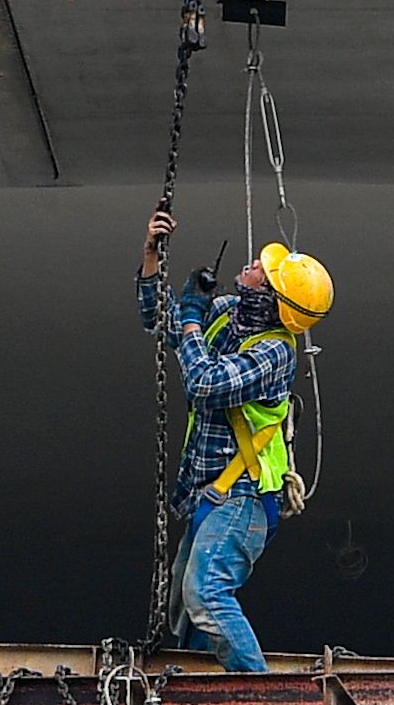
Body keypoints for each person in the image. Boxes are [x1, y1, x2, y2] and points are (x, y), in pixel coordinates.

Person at [136, 209, 334, 672]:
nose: (251, 265)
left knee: (205, 593)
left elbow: (203, 382)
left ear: (269, 298)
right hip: (214, 492)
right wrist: (152, 259)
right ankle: (201, 686)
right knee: (185, 608)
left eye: (261, 271)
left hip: (244, 497)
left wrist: (190, 322)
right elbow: (160, 325)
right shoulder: (228, 316)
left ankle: (258, 696)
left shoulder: (274, 353)